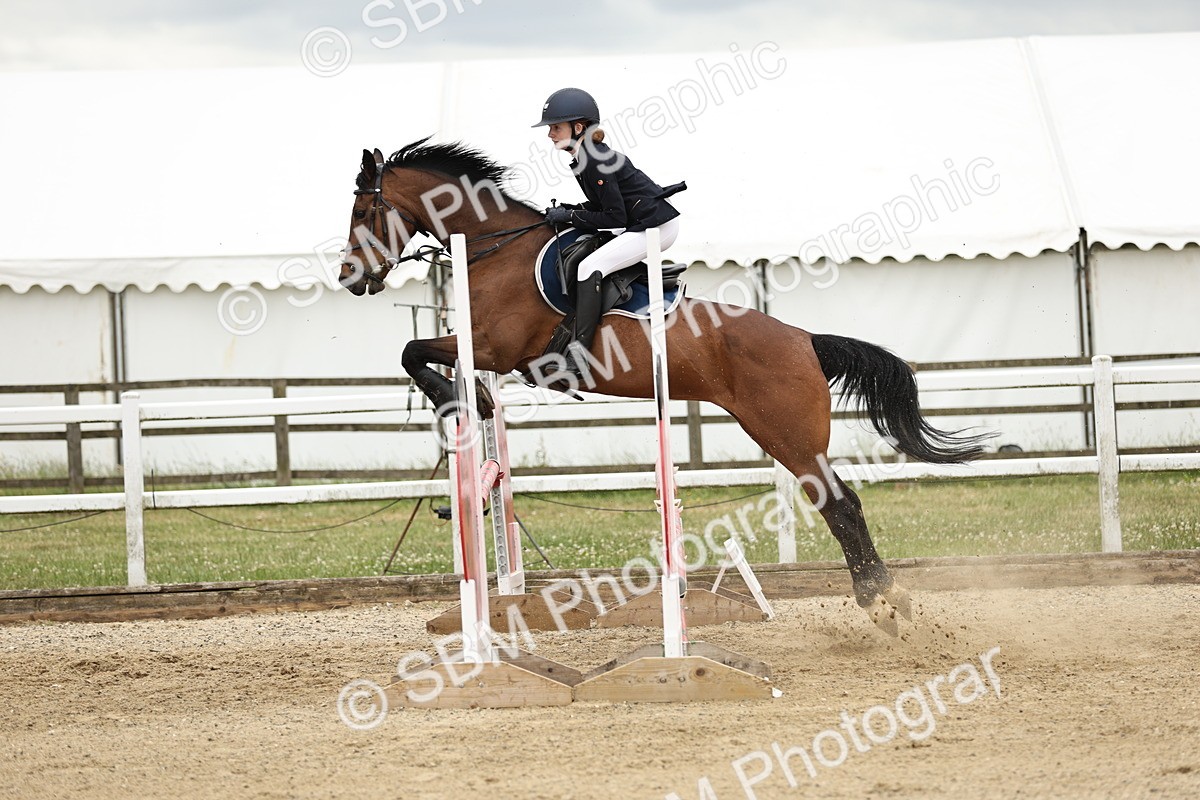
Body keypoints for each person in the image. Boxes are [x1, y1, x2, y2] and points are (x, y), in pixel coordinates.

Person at [532, 87, 683, 382]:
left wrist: (572, 216)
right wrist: (571, 210)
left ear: (578, 128)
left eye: (555, 127)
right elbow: (606, 205)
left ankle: (579, 356)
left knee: (590, 266)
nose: (550, 133)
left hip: (655, 227)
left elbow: (614, 216)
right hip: (641, 222)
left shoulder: (595, 159)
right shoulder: (587, 156)